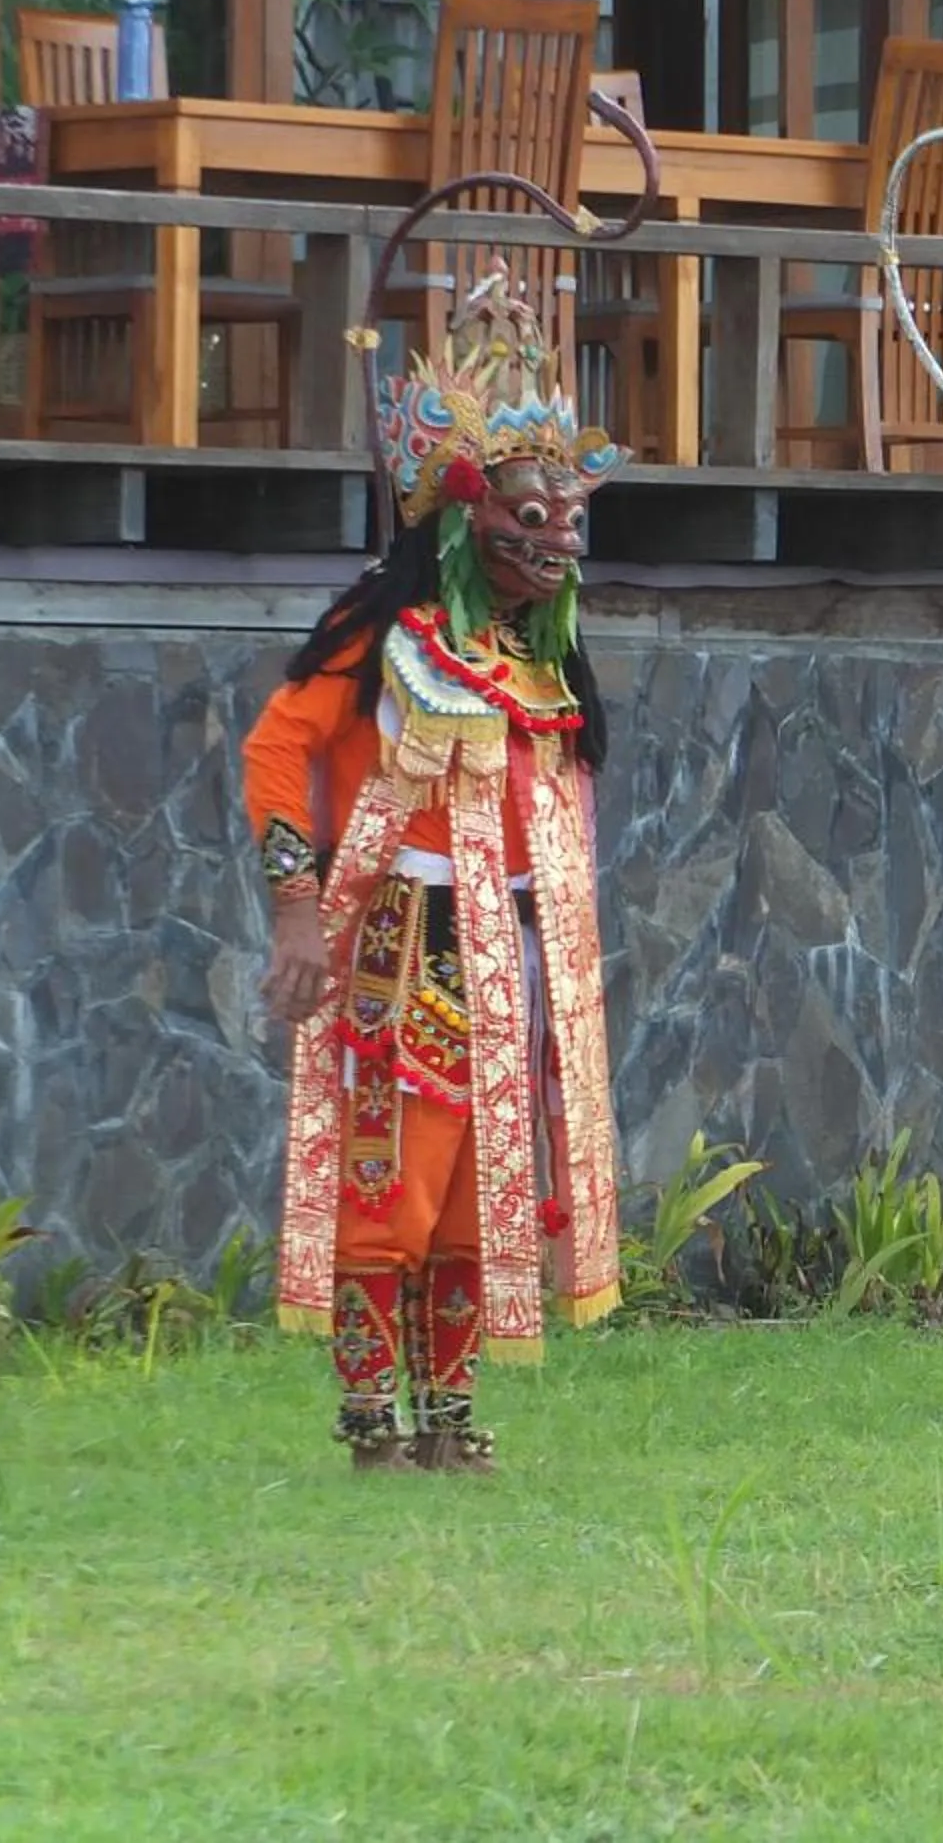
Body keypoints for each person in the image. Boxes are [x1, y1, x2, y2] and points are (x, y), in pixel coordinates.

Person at [244, 265, 625, 1472]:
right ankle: (371, 1421)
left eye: (569, 514)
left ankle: (450, 1417)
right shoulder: (379, 630)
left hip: (508, 948)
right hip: (402, 941)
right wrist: (298, 910)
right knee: (395, 1185)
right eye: (527, 513)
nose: (554, 536)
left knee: (478, 1192)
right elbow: (277, 746)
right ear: (462, 514)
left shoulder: (535, 655)